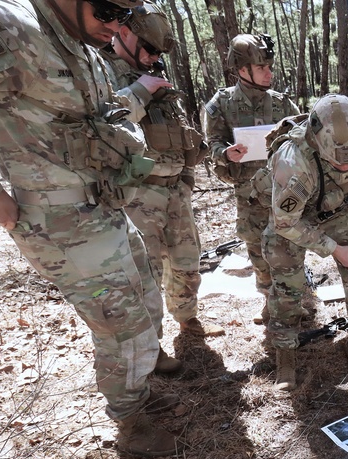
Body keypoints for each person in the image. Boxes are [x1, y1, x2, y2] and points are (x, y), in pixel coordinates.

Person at [0, 0, 183, 457]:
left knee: (146, 289)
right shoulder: (5, 25)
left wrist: (139, 96)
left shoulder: (81, 43)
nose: (117, 26)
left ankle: (144, 381)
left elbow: (99, 116)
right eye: (109, 11)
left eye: (126, 18)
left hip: (103, 206)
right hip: (59, 219)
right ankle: (131, 425)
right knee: (122, 325)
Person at [255, 95, 348, 390]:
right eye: (336, 161)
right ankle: (285, 354)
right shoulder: (293, 161)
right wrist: (333, 249)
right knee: (288, 284)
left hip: (333, 211)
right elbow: (286, 223)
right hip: (291, 221)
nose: (345, 167)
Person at [100, 4, 222, 339]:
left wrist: (186, 181)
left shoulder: (155, 74)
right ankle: (150, 343)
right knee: (144, 273)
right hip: (138, 194)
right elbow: (104, 124)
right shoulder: (102, 71)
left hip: (175, 191)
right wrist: (142, 91)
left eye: (158, 51)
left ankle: (187, 319)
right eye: (150, 49)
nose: (154, 57)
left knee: (186, 264)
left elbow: (180, 133)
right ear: (123, 33)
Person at [203, 33, 300, 322]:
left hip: (283, 189)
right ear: (243, 70)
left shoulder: (282, 103)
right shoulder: (221, 104)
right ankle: (269, 299)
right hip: (248, 192)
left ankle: (293, 301)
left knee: (289, 246)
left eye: (270, 68)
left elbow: (304, 136)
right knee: (256, 247)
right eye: (262, 68)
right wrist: (225, 153)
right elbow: (212, 142)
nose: (269, 74)